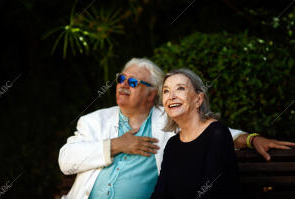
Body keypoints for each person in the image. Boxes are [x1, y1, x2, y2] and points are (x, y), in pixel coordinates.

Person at [58, 58, 295, 199]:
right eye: (121, 79)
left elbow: (209, 132)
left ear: (151, 94)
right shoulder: (92, 121)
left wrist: (252, 139)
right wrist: (116, 145)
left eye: (132, 82)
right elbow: (66, 161)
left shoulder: (167, 121)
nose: (122, 86)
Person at [151, 68, 242, 199]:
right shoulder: (173, 145)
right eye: (166, 91)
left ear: (198, 99)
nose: (171, 96)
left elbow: (209, 191)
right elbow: (161, 193)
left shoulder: (217, 133)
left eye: (180, 88)